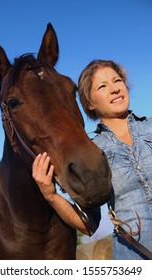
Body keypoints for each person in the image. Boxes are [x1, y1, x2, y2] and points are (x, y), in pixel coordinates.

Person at [32, 59, 152, 259]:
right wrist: (51, 195)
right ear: (89, 103)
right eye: (102, 86)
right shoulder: (92, 151)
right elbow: (88, 225)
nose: (114, 89)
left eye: (117, 81)